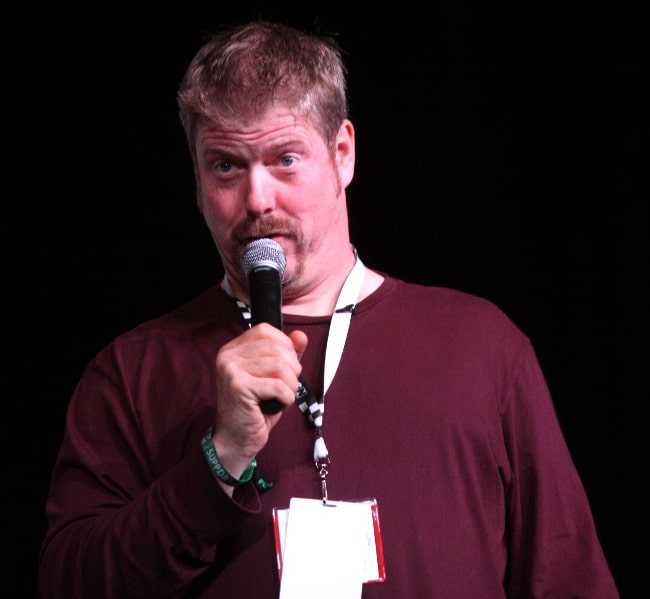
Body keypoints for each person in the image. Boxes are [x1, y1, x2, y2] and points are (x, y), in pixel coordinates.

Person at [37, 19, 620, 598]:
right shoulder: (131, 372)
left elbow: (568, 579)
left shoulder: (483, 347)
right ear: (196, 181)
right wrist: (219, 460)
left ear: (342, 153)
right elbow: (69, 584)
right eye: (226, 166)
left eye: (285, 159)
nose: (257, 200)